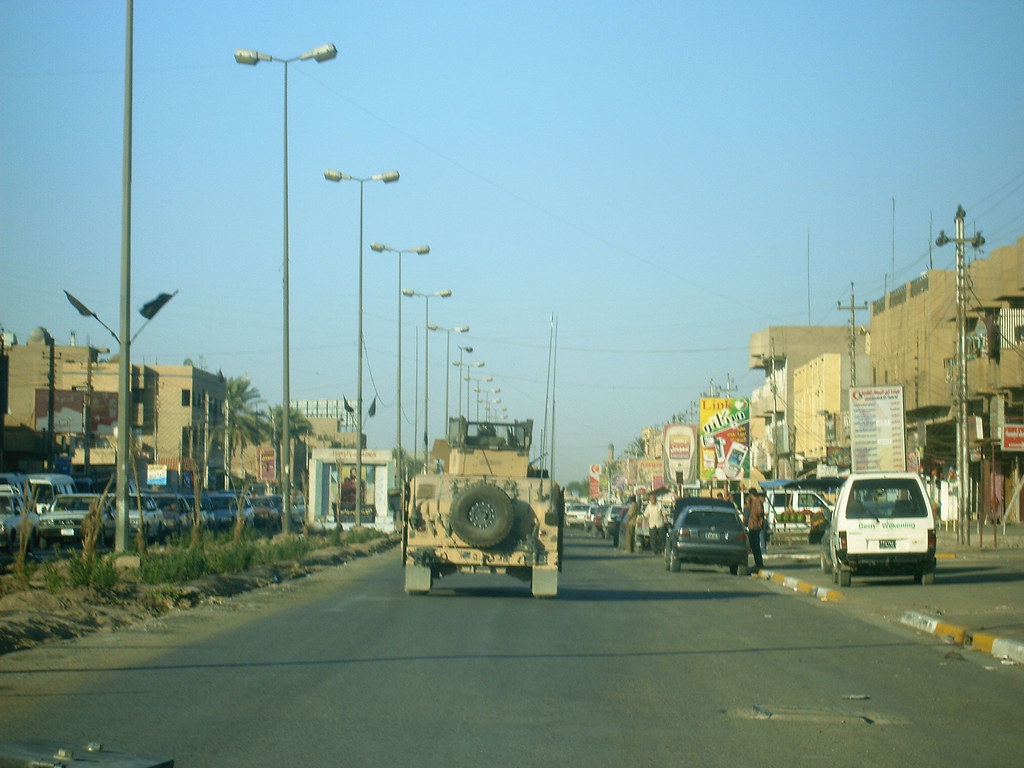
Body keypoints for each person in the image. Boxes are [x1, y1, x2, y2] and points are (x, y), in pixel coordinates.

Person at [744, 489, 765, 572]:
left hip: (756, 525)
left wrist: (755, 518)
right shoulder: (753, 502)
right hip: (752, 525)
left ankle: (759, 563)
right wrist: (748, 502)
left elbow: (759, 512)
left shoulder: (757, 501)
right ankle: (758, 562)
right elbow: (749, 510)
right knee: (753, 544)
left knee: (755, 544)